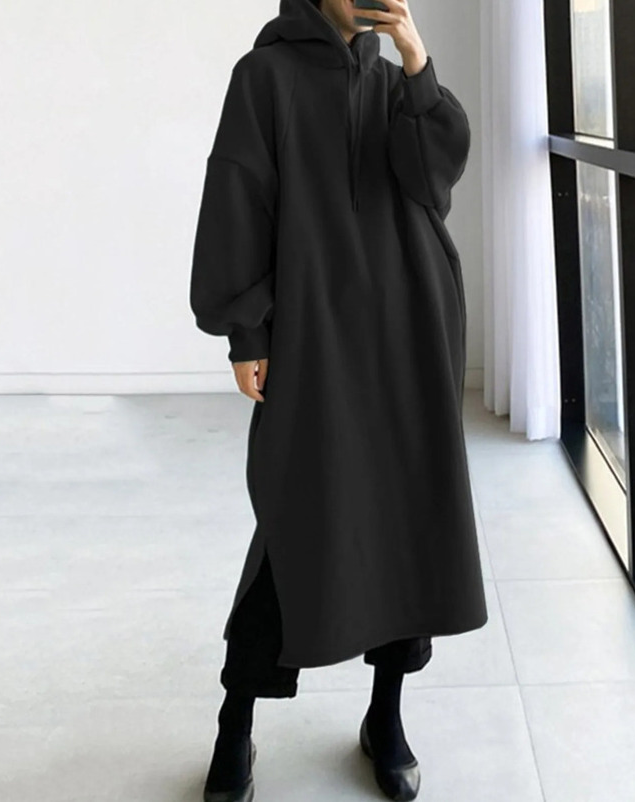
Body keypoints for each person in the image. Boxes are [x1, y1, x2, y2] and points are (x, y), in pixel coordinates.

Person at [189, 0, 489, 799]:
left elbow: (434, 179)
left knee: (405, 523)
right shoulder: (264, 76)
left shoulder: (398, 84)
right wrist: (246, 332)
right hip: (314, 333)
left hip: (409, 329)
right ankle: (235, 724)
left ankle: (385, 717)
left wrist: (417, 60)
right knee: (297, 521)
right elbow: (238, 196)